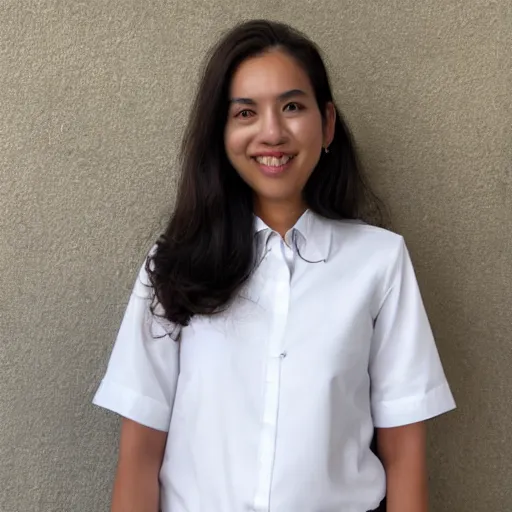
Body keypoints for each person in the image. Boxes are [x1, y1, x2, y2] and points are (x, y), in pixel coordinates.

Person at [93, 19, 456, 512]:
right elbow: (138, 458)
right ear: (222, 133)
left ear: (326, 123)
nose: (271, 132)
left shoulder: (381, 262)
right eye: (245, 112)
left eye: (292, 107)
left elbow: (405, 455)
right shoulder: (173, 265)